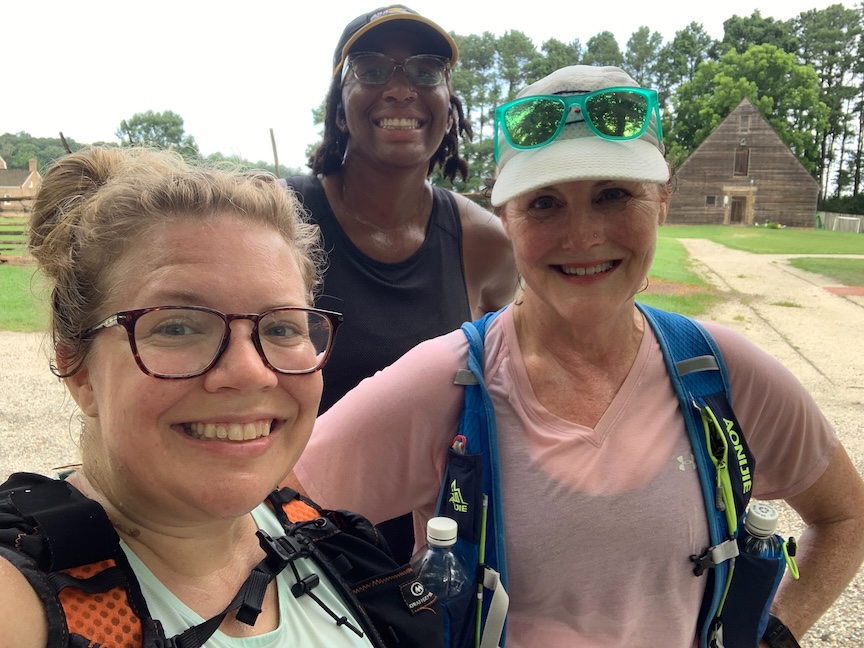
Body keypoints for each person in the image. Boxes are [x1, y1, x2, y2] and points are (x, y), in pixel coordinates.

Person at [287, 66, 864, 646]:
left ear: (662, 201)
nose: (583, 235)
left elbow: (846, 517)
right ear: (506, 218)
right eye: (544, 203)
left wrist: (776, 635)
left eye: (614, 194)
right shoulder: (446, 381)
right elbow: (263, 517)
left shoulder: (721, 370)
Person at [0, 147, 441, 647]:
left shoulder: (338, 547)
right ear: (79, 371)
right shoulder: (20, 601)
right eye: (180, 326)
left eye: (280, 327)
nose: (251, 373)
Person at [285, 4, 517, 562]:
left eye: (424, 70)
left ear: (448, 103)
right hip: (288, 545)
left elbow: (495, 402)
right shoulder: (282, 218)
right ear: (339, 106)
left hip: (425, 556)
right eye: (369, 68)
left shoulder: (486, 243)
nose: (399, 89)